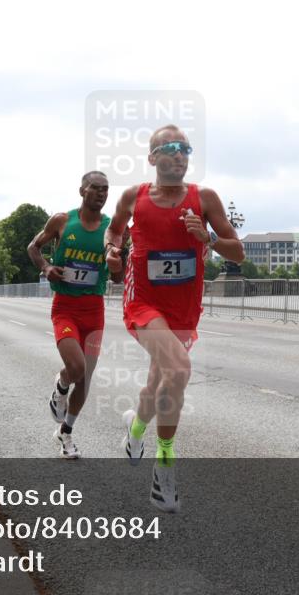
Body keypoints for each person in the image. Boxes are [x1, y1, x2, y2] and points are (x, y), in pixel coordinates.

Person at [105, 125, 244, 512]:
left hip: (184, 309)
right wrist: (111, 253)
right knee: (180, 370)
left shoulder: (206, 198)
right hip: (144, 303)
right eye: (169, 148)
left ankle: (135, 430)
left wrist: (208, 238)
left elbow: (239, 254)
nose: (178, 154)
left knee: (159, 385)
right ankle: (164, 469)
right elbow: (114, 232)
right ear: (152, 158)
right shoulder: (134, 197)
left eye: (184, 148)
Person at [27, 171, 113, 459]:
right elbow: (33, 247)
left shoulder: (113, 229)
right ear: (82, 191)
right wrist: (46, 268)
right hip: (65, 307)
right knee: (75, 368)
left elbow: (119, 271)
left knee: (86, 378)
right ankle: (61, 385)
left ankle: (66, 433)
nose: (101, 194)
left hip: (94, 309)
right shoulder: (63, 221)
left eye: (106, 190)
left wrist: (118, 263)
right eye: (96, 188)